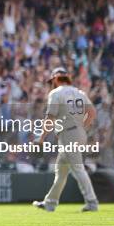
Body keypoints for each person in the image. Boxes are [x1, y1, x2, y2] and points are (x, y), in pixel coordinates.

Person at [33, 67, 99, 212]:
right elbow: (92, 112)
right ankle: (50, 203)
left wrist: (42, 138)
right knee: (61, 171)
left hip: (69, 135)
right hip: (77, 133)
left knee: (78, 168)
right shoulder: (79, 92)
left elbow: (49, 118)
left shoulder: (56, 93)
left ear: (56, 79)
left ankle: (92, 202)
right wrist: (81, 127)